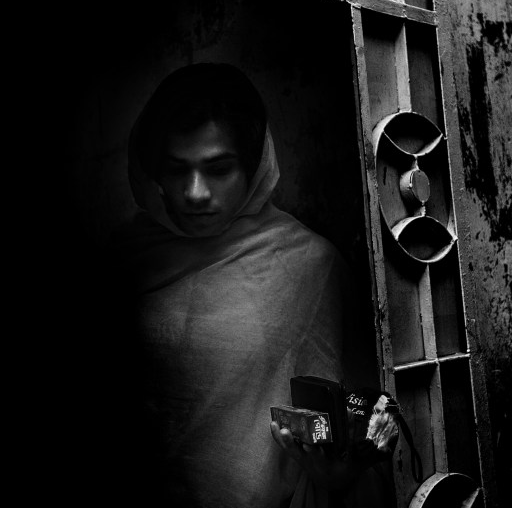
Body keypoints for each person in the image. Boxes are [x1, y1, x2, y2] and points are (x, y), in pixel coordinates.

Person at [115, 63, 397, 507]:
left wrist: (339, 470)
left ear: (252, 166)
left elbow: (368, 428)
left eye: (218, 169)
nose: (195, 192)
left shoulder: (307, 267)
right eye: (176, 169)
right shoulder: (124, 261)